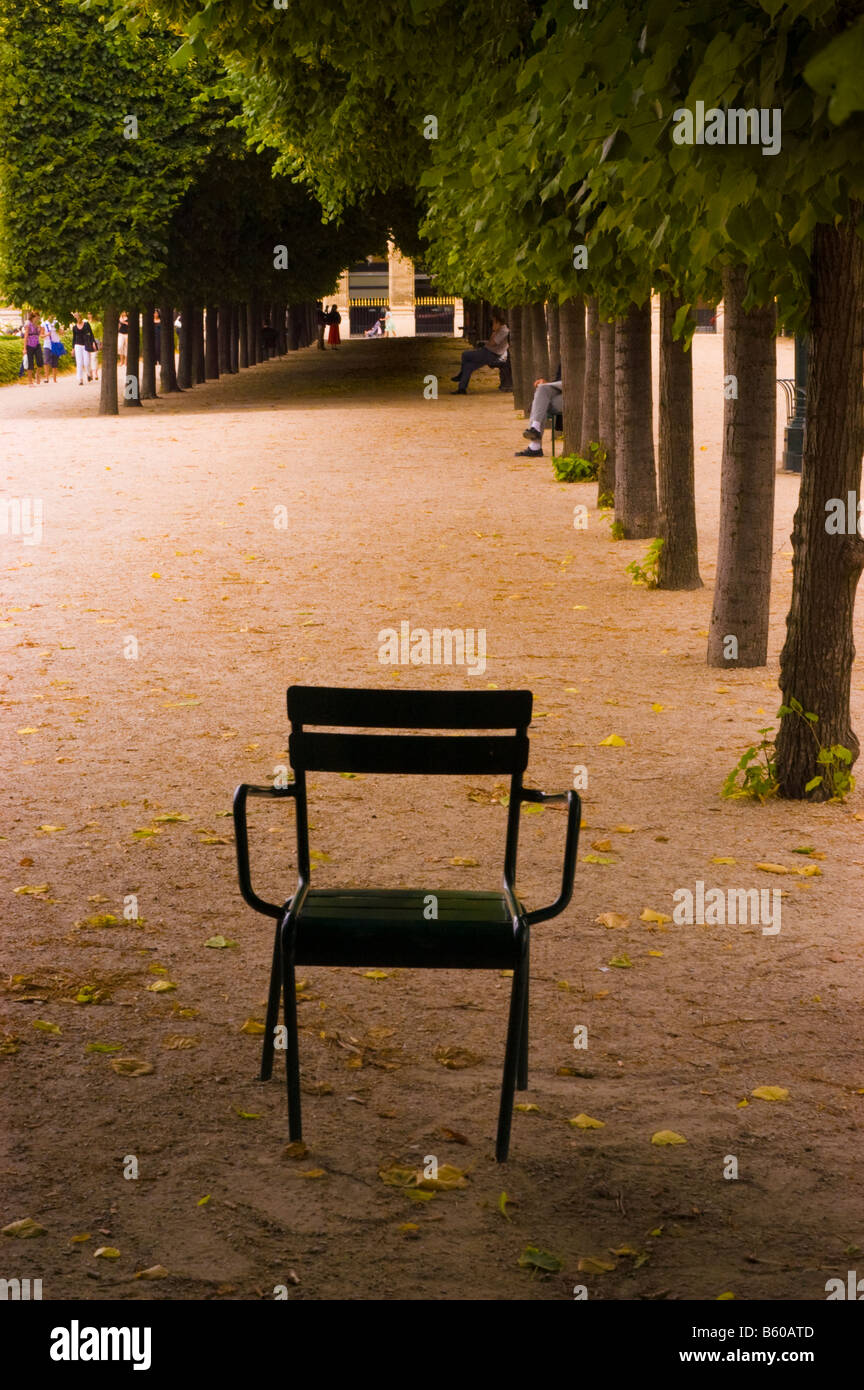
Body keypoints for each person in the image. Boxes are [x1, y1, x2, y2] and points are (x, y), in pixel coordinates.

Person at [451, 313, 509, 393]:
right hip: (488, 352)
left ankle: (460, 375)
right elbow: (490, 343)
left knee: (465, 355)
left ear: (498, 322)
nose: (493, 323)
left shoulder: (503, 331)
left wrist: (494, 331)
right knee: (468, 366)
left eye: (494, 322)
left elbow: (492, 343)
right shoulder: (500, 330)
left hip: (490, 354)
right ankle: (462, 388)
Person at [514, 363, 563, 456]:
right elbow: (559, 383)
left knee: (541, 400)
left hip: (579, 396)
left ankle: (535, 443)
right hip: (563, 396)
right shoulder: (564, 357)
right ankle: (535, 435)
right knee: (542, 392)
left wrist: (548, 384)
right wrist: (547, 383)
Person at [72, 313, 97, 384]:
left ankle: (89, 374)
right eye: (76, 317)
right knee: (79, 363)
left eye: (78, 317)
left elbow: (91, 334)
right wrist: (73, 348)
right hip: (77, 345)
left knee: (86, 362)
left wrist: (93, 343)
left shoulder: (86, 324)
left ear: (81, 317)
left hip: (86, 344)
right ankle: (80, 379)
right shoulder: (74, 327)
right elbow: (74, 338)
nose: (78, 318)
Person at [22, 311, 43, 387]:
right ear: (34, 317)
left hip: (37, 344)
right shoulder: (28, 323)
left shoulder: (37, 324)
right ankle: (30, 382)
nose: (38, 318)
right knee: (30, 364)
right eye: (38, 317)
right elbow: (26, 336)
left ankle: (37, 374)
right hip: (29, 345)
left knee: (40, 361)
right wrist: (24, 348)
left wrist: (40, 329)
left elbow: (39, 334)